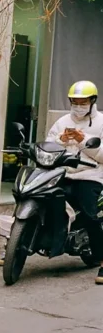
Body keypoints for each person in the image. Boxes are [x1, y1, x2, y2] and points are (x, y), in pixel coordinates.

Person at [45, 81, 103, 284]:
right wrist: (60, 140)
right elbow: (48, 145)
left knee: (91, 214)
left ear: (92, 101)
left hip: (90, 176)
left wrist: (83, 140)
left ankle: (101, 259)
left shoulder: (101, 123)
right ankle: (15, 245)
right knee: (39, 198)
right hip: (62, 173)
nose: (79, 106)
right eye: (75, 102)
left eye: (83, 102)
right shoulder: (61, 121)